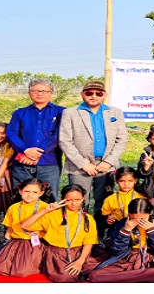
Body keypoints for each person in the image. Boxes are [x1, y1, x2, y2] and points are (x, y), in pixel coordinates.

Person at [59, 80, 128, 231]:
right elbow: (64, 141)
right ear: (82, 94)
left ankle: (100, 234)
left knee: (103, 202)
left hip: (106, 167)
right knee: (78, 201)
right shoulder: (70, 113)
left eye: (99, 93)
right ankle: (79, 232)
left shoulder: (115, 113)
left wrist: (108, 162)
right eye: (89, 93)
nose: (94, 96)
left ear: (104, 95)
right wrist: (83, 163)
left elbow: (122, 139)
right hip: (80, 167)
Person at [88, 198, 154, 283]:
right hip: (127, 260)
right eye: (134, 218)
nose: (138, 222)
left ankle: (133, 278)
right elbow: (117, 251)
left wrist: (153, 232)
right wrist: (125, 231)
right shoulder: (123, 224)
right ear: (129, 215)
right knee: (95, 275)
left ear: (150, 213)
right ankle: (144, 278)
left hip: (152, 259)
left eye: (142, 219)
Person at [21, 184, 106, 283]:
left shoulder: (87, 218)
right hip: (57, 254)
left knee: (99, 270)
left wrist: (80, 261)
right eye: (69, 200)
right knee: (66, 278)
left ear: (83, 198)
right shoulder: (53, 215)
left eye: (77, 200)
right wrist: (45, 211)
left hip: (79, 253)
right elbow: (25, 226)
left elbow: (89, 242)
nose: (73, 203)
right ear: (62, 199)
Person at [7, 78, 64, 201]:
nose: (40, 93)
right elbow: (11, 134)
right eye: (36, 91)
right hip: (22, 162)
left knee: (50, 197)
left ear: (51, 93)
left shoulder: (61, 112)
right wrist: (25, 150)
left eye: (44, 91)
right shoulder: (19, 113)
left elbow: (59, 135)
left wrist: (38, 152)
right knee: (21, 196)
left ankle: (49, 220)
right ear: (29, 93)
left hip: (48, 162)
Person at [0, 178, 52, 277]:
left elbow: (50, 230)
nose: (30, 195)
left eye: (35, 192)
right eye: (26, 191)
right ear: (20, 191)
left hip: (35, 243)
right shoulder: (13, 208)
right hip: (16, 241)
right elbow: (9, 229)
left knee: (20, 272)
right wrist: (4, 246)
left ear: (41, 193)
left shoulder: (45, 208)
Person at [100, 166, 146, 241]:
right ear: (116, 181)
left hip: (137, 227)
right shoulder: (110, 199)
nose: (126, 184)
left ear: (135, 180)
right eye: (122, 181)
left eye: (130, 181)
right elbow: (105, 216)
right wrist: (108, 220)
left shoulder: (141, 197)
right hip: (118, 227)